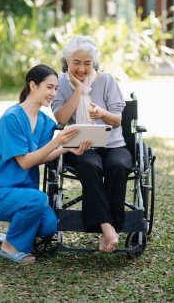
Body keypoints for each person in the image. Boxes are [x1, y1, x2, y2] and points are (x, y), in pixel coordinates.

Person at [0, 64, 91, 264]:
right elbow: (25, 162)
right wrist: (58, 141)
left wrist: (67, 149)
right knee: (38, 200)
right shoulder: (11, 118)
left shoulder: (45, 122)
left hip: (26, 194)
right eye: (49, 87)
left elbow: (41, 156)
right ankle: (10, 246)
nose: (54, 93)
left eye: (56, 88)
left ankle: (12, 233)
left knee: (49, 226)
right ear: (33, 85)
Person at [51, 36, 133, 252]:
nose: (81, 68)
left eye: (87, 63)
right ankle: (108, 227)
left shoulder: (106, 80)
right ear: (67, 61)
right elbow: (61, 119)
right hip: (80, 146)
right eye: (76, 62)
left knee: (119, 165)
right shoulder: (59, 83)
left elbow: (117, 121)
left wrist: (101, 113)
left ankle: (109, 227)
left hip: (114, 145)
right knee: (90, 165)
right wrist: (78, 90)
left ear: (93, 63)